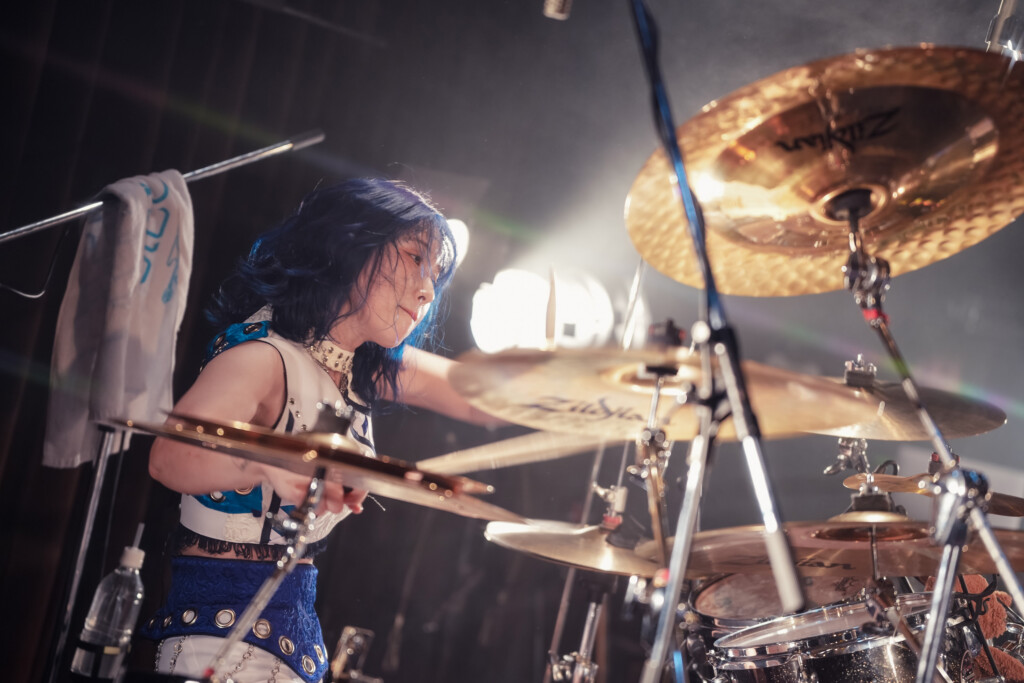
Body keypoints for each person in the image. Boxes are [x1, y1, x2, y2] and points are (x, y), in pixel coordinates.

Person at [139, 178, 499, 683]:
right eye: (416, 257)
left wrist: (588, 391)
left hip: (292, 640)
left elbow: (480, 397)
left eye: (435, 274)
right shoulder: (263, 357)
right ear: (350, 244)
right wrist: (269, 462)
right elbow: (169, 459)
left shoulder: (360, 367)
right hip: (219, 640)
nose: (427, 289)